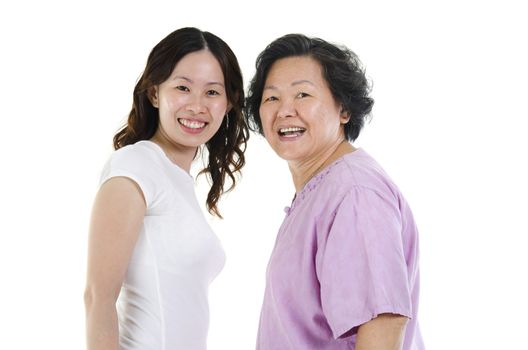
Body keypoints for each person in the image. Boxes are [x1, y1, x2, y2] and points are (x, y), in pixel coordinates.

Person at [245, 34, 424, 350]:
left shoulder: (355, 194)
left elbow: (382, 322)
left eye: (302, 94)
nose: (285, 110)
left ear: (344, 109)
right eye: (271, 98)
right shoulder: (323, 190)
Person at [84, 27, 248, 350]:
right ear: (155, 93)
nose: (197, 106)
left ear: (228, 103)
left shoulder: (176, 180)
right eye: (183, 88)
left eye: (212, 92)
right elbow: (97, 297)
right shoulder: (136, 165)